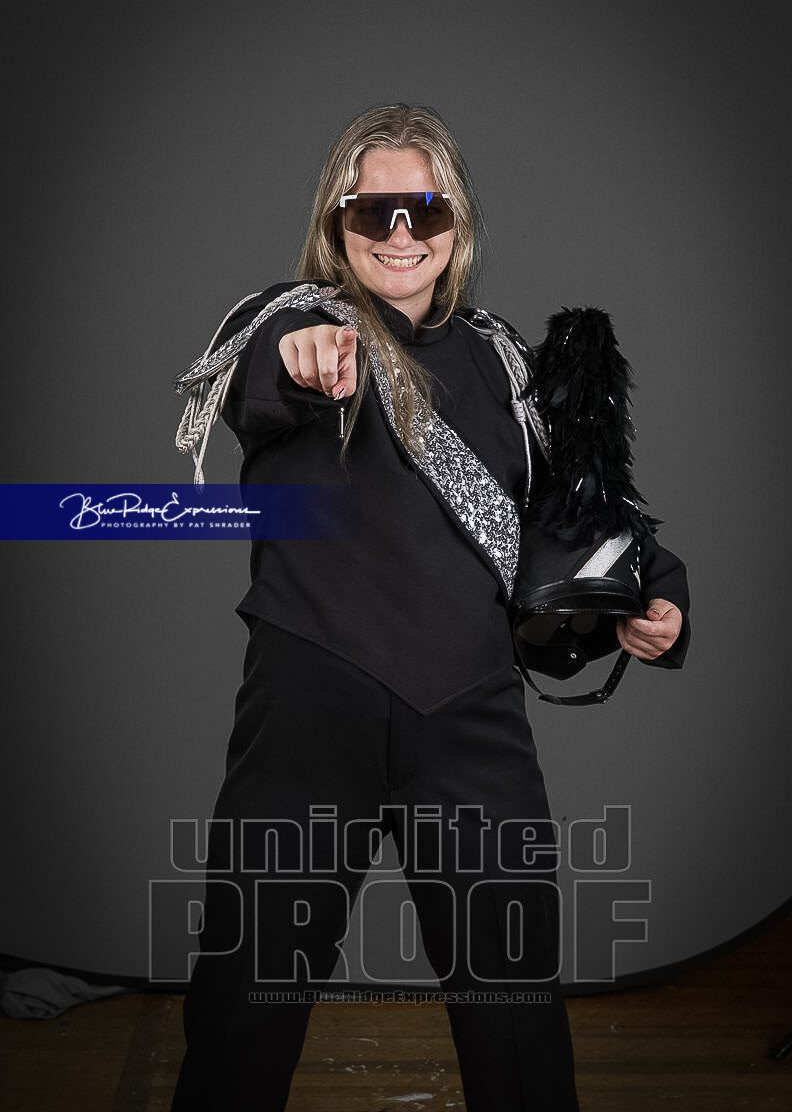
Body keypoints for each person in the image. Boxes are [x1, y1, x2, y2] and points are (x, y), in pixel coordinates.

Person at [170, 102, 690, 1112]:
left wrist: (653, 592)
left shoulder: (505, 365)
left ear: (457, 223)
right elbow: (262, 373)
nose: (400, 234)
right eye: (375, 212)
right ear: (337, 223)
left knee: (516, 1023)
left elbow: (565, 515)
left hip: (469, 722)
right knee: (241, 1015)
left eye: (425, 210)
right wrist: (306, 359)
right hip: (306, 719)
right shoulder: (285, 321)